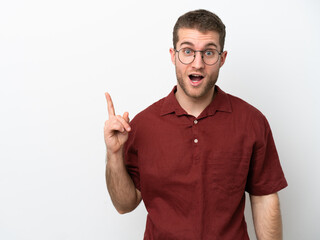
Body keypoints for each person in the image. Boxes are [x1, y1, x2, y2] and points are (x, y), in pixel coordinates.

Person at [104, 9, 287, 240]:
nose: (197, 64)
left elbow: (264, 198)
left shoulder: (252, 121)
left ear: (222, 58)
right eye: (188, 51)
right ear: (173, 55)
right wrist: (113, 154)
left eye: (209, 52)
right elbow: (124, 204)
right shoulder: (142, 125)